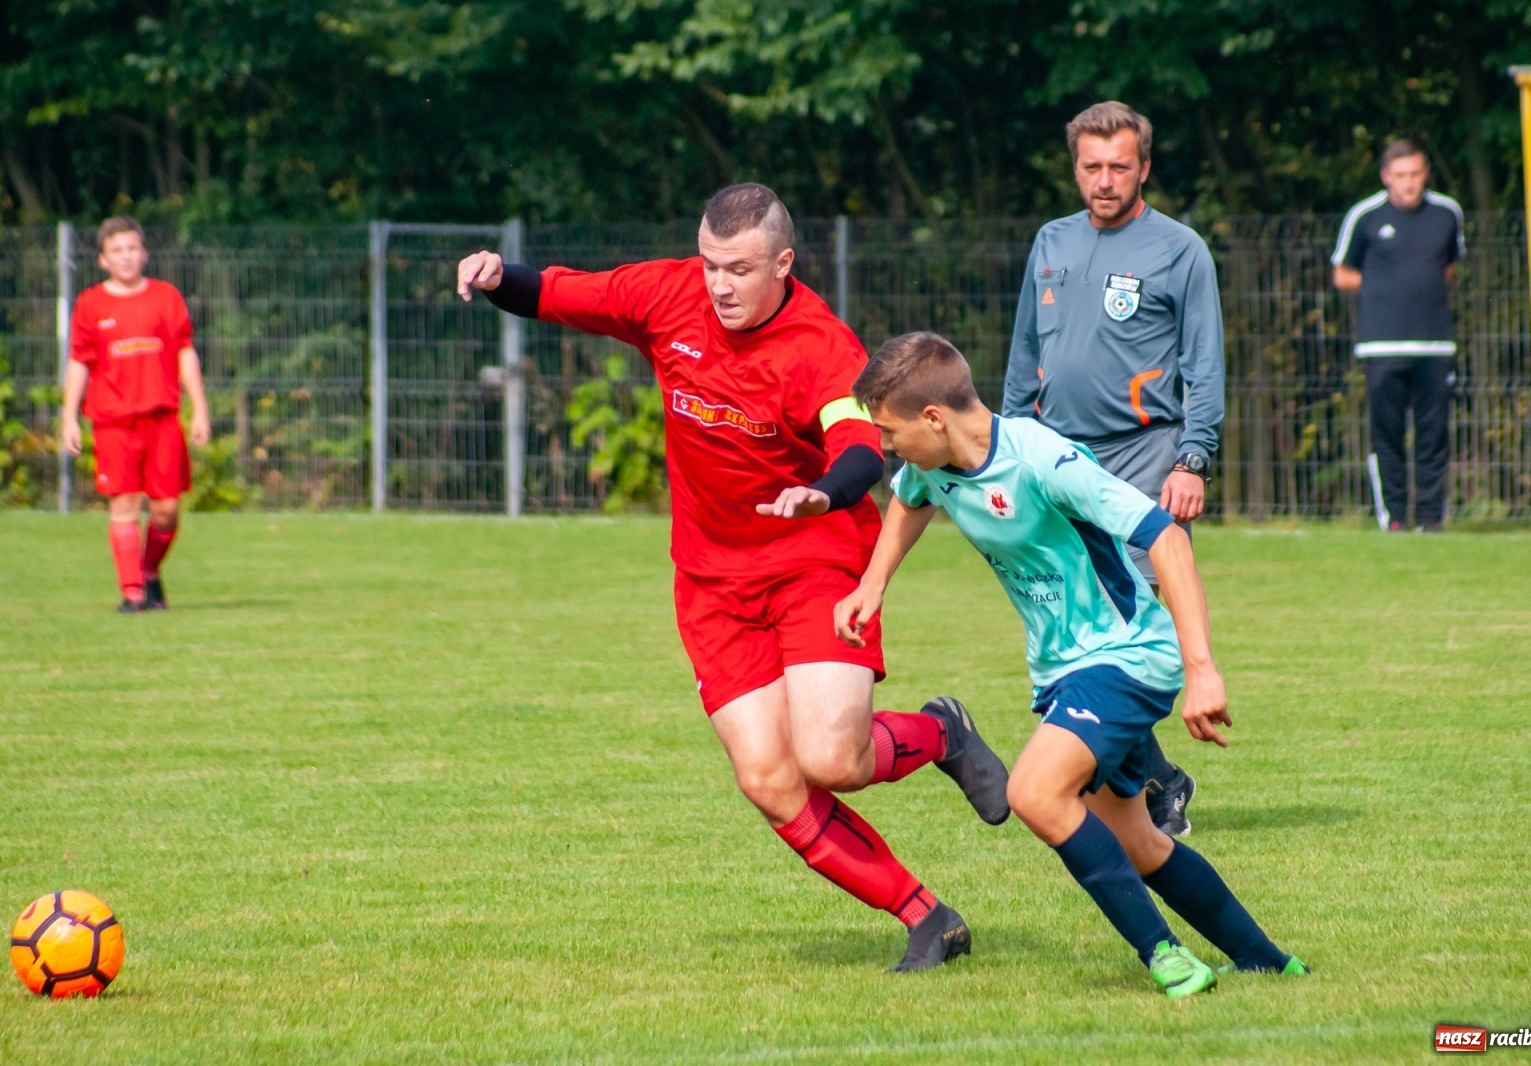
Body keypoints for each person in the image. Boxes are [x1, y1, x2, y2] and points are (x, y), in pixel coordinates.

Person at [455, 184, 1010, 972]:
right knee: (769, 778)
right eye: (712, 264)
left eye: (741, 269)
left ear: (783, 264)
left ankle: (941, 732)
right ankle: (927, 918)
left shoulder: (818, 343)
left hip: (814, 560)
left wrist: (828, 491)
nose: (720, 285)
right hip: (712, 582)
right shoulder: (669, 294)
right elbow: (554, 293)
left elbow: (857, 443)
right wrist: (493, 274)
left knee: (832, 761)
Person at [837, 332, 1307, 997]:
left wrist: (1202, 670)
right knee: (1141, 845)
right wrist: (874, 584)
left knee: (1032, 792)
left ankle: (1166, 958)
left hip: (1127, 656)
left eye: (889, 432)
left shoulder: (1043, 461)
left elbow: (1165, 536)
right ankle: (1267, 960)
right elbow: (913, 497)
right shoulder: (933, 461)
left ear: (934, 418)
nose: (886, 448)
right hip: (1065, 670)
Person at [1002, 101, 1221, 837]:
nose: (1104, 179)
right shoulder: (1050, 240)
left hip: (1143, 454)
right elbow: (1025, 348)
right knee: (1075, 628)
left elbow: (1204, 364)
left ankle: (1149, 790)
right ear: (1075, 168)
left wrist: (1194, 458)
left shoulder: (1179, 250)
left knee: (1124, 621)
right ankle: (1158, 779)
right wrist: (1009, 439)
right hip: (1057, 459)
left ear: (1144, 168)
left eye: (1119, 166)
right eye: (1091, 166)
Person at [62, 217, 211, 612]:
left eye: (132, 249)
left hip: (161, 419)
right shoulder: (91, 304)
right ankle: (132, 593)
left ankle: (148, 571)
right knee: (124, 504)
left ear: (144, 254)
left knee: (166, 510)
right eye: (117, 251)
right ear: (103, 260)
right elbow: (80, 360)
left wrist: (200, 407)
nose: (126, 257)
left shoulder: (166, 297)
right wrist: (68, 416)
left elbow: (184, 351)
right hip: (113, 421)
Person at [1332, 139, 1464, 532]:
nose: (1410, 184)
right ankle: (1394, 518)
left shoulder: (1447, 213)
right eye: (1401, 176)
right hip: (1382, 344)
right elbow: (1343, 273)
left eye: (1416, 174)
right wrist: (1385, 289)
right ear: (1387, 177)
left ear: (1426, 174)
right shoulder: (1365, 215)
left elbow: (1450, 267)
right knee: (1387, 434)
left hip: (1434, 343)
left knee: (1433, 435)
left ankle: (1431, 518)